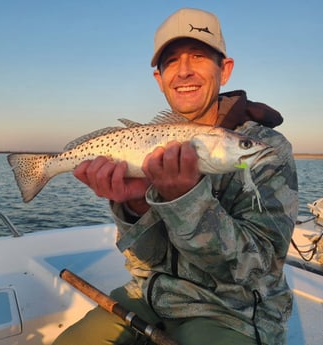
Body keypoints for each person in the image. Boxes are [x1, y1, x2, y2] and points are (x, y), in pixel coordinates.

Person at [53, 8, 298, 345]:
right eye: (171, 61)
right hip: (148, 296)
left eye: (198, 56)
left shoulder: (267, 149)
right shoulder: (148, 146)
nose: (184, 71)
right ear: (159, 78)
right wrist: (136, 204)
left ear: (224, 70)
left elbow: (258, 269)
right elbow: (149, 257)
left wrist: (187, 199)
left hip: (232, 312)